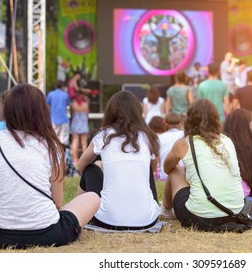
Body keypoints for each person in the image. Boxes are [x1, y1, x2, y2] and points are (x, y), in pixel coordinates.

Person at [0, 84, 100, 249]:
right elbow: (57, 202)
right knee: (93, 198)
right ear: (42, 111)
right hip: (48, 234)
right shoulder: (51, 145)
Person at [77, 90, 160, 230]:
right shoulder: (149, 137)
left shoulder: (103, 136)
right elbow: (153, 165)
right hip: (147, 219)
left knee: (89, 169)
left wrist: (102, 171)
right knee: (148, 170)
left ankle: (80, 209)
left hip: (106, 220)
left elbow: (81, 165)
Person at [161, 99, 245, 231]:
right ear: (216, 119)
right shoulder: (227, 140)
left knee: (175, 169)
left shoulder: (184, 143)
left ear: (189, 119)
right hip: (234, 211)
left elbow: (167, 168)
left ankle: (166, 210)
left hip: (199, 217)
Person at [223, 109, 252, 197]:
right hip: (245, 194)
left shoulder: (222, 145)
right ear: (244, 126)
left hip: (224, 194)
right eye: (250, 122)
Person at [158, 112, 184, 182]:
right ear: (179, 123)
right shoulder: (184, 136)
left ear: (165, 123)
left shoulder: (159, 138)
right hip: (182, 174)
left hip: (164, 175)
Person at [46, 80, 70, 146]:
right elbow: (68, 106)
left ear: (55, 86)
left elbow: (47, 107)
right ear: (62, 87)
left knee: (53, 140)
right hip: (64, 120)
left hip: (53, 119)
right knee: (63, 141)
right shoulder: (65, 95)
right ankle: (63, 155)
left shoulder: (50, 94)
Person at [70, 91, 90, 165]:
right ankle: (85, 160)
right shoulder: (85, 104)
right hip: (84, 124)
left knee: (75, 142)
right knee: (84, 143)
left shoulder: (73, 104)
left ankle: (75, 160)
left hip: (75, 124)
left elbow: (71, 113)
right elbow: (88, 113)